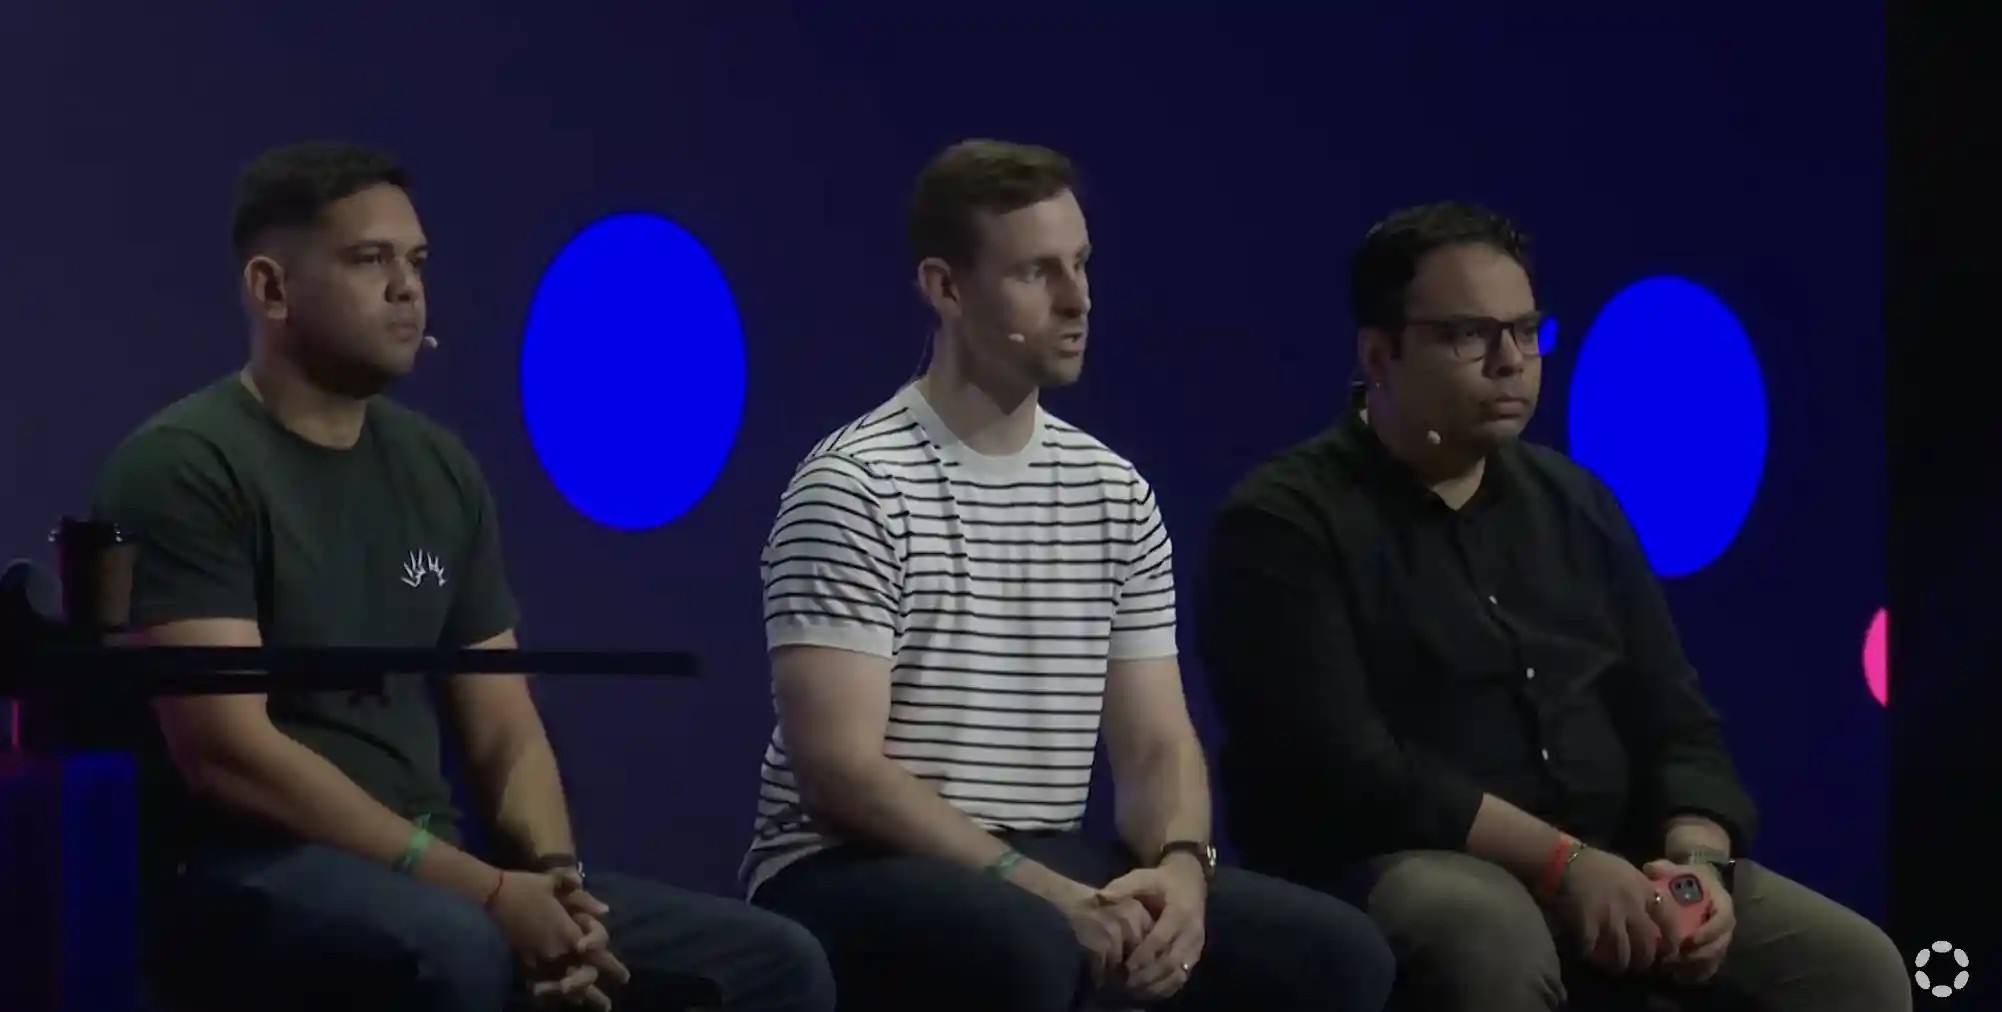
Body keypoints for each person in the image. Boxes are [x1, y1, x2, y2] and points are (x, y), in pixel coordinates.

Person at [92, 141, 834, 1012]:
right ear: (271, 289)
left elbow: (504, 732)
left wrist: (557, 887)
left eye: (416, 262)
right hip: (255, 872)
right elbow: (228, 753)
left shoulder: (439, 469)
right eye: (369, 260)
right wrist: (481, 893)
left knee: (775, 964)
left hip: (439, 869)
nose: (407, 287)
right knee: (460, 951)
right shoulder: (184, 465)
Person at [1199, 201, 1910, 1012]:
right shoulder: (1285, 522)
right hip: (1403, 859)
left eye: (1526, 330)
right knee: (1486, 935)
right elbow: (1354, 771)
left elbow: (1677, 723)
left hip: (1616, 858)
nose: (1510, 361)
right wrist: (1562, 863)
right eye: (1469, 335)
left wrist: (1697, 866)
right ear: (1379, 354)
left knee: (1856, 968)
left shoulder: (1576, 503)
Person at [743, 138, 1395, 1012]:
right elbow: (840, 773)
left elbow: (1157, 744)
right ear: (945, 288)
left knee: (1334, 956)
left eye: (1081, 264)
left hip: (1041, 853)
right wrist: (1046, 892)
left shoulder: (1112, 492)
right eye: (1036, 273)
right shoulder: (854, 484)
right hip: (843, 865)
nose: (1078, 299)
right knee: (1033, 948)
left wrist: (1180, 876)